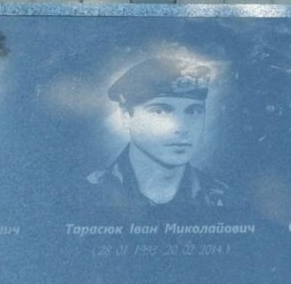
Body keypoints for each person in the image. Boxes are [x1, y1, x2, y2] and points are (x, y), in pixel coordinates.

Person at [84, 57, 228, 209]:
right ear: (126, 116)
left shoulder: (225, 199)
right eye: (160, 111)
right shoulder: (86, 195)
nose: (181, 127)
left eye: (193, 111)